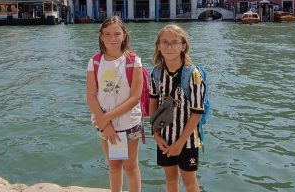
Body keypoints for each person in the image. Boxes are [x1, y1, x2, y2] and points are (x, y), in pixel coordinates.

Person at [86, 16, 143, 192]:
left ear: (124, 36)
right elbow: (90, 95)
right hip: (106, 125)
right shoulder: (95, 61)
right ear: (101, 37)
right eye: (108, 34)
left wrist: (105, 119)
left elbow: (135, 97)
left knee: (130, 166)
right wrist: (106, 124)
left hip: (129, 123)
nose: (113, 38)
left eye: (117, 34)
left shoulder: (133, 61)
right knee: (115, 166)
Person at [150, 24, 206, 192]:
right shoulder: (156, 73)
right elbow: (153, 103)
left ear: (183, 46)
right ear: (158, 46)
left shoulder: (193, 74)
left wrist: (179, 143)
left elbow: (197, 113)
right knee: (171, 180)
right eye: (165, 42)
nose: (169, 46)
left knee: (190, 183)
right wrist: (156, 134)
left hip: (187, 140)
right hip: (165, 138)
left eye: (175, 42)